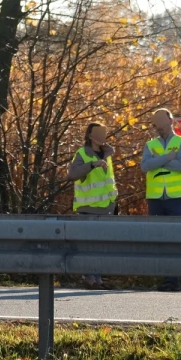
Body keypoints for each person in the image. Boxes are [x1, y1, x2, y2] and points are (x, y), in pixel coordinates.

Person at [141, 107, 181, 291]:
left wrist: (159, 160)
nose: (159, 128)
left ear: (171, 121)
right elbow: (145, 166)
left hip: (176, 197)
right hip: (156, 198)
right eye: (156, 124)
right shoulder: (150, 145)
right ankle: (170, 280)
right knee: (162, 239)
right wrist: (167, 157)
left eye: (162, 124)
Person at [66, 122, 117, 288]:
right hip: (88, 207)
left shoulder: (107, 154)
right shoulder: (83, 153)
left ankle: (98, 278)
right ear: (90, 136)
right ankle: (89, 277)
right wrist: (92, 165)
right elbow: (72, 174)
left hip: (105, 207)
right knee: (88, 244)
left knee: (100, 245)